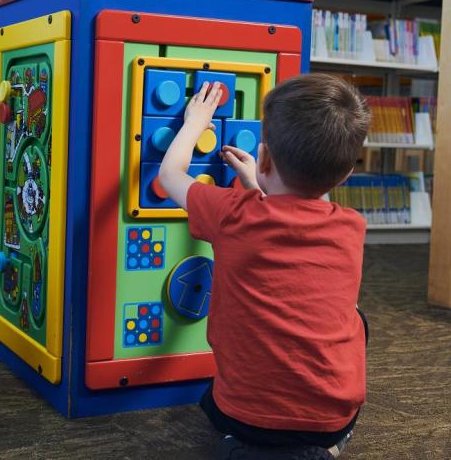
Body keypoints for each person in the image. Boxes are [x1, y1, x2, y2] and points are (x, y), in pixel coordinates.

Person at [158, 74, 371, 459]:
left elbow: (170, 175)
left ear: (266, 158)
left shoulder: (233, 213)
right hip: (330, 418)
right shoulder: (351, 228)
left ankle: (243, 446)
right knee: (355, 316)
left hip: (243, 415)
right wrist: (259, 185)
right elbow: (293, 229)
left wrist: (195, 123)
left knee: (219, 404)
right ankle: (326, 447)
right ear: (346, 175)